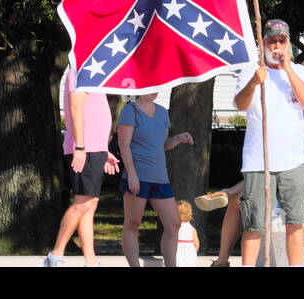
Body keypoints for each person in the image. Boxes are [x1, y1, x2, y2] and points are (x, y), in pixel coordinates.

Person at [235, 19, 304, 266]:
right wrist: (254, 82)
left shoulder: (300, 72)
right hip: (259, 160)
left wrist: (288, 70)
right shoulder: (251, 69)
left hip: (293, 160)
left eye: (282, 41)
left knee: (296, 221)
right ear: (264, 43)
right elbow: (240, 105)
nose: (277, 46)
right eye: (272, 41)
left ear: (288, 43)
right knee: (254, 222)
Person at [44, 67, 119, 267]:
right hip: (84, 149)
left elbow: (94, 114)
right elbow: (75, 109)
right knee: (83, 203)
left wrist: (104, 149)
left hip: (94, 148)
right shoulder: (80, 71)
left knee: (89, 205)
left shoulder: (93, 71)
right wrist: (80, 147)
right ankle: (55, 255)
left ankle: (91, 261)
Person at [117, 91, 193, 267]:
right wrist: (132, 175)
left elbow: (163, 145)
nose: (155, 91)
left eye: (157, 87)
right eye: (151, 86)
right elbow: (123, 145)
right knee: (133, 223)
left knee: (174, 224)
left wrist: (178, 138)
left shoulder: (162, 112)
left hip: (160, 177)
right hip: (137, 176)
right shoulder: (131, 111)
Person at [175, 200, 200, 267]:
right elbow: (196, 244)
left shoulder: (174, 228)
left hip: (176, 253)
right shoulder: (192, 229)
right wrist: (193, 252)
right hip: (189, 254)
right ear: (190, 214)